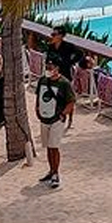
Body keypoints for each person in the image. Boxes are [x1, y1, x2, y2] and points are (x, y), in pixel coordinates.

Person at [35, 55, 74, 189]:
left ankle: (56, 174)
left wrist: (63, 114)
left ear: (57, 68)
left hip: (57, 119)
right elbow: (39, 96)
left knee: (54, 147)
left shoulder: (64, 83)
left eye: (51, 67)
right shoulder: (42, 81)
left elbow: (71, 102)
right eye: (47, 67)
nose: (48, 69)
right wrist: (37, 109)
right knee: (48, 147)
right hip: (44, 118)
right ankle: (51, 170)